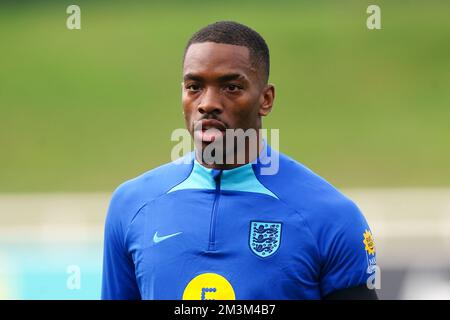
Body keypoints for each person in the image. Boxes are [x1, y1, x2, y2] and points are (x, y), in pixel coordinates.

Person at [101, 21, 378, 300]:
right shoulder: (131, 206)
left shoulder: (331, 217)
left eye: (231, 87)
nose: (207, 103)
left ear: (265, 100)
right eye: (194, 86)